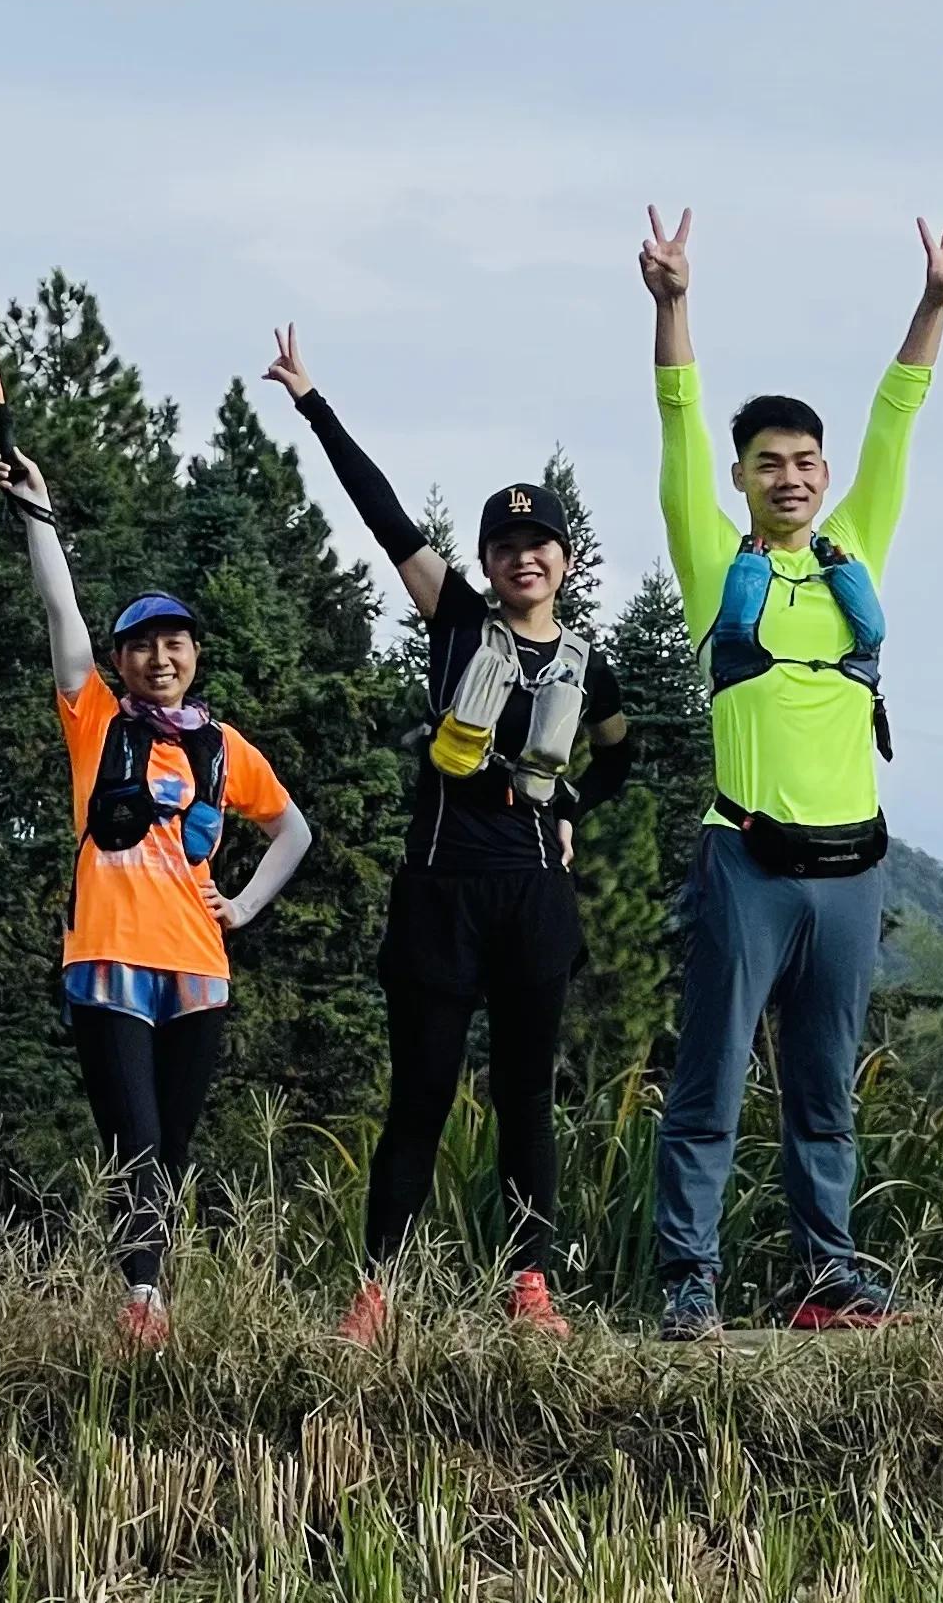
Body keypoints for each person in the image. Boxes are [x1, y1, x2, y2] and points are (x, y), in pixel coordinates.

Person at [637, 206, 943, 1340]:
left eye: (805, 461)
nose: (791, 476)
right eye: (769, 462)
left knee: (826, 1094)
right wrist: (674, 306)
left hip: (853, 871)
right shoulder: (709, 561)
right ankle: (691, 1278)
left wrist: (930, 306)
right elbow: (678, 425)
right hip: (747, 858)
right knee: (713, 1086)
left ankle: (829, 1276)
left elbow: (898, 423)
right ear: (741, 477)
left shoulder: (854, 554)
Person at [268, 329, 634, 1345]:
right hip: (439, 890)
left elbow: (618, 758)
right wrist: (312, 403)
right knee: (421, 1095)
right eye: (506, 546)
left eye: (541, 545)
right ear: (485, 560)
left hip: (533, 904)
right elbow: (381, 513)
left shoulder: (586, 666)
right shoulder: (458, 622)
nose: (524, 558)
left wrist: (567, 816)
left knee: (524, 1099)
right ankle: (375, 1295)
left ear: (564, 560)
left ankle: (531, 1292)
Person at [0, 450, 317, 1351]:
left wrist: (244, 907)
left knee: (168, 1149)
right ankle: (143, 1302)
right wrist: (39, 514)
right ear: (123, 660)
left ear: (194, 654)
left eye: (174, 642)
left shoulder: (223, 747)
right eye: (142, 644)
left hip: (197, 970)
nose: (159, 656)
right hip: (105, 960)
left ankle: (143, 1292)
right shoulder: (93, 715)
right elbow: (62, 612)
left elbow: (294, 831)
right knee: (133, 1135)